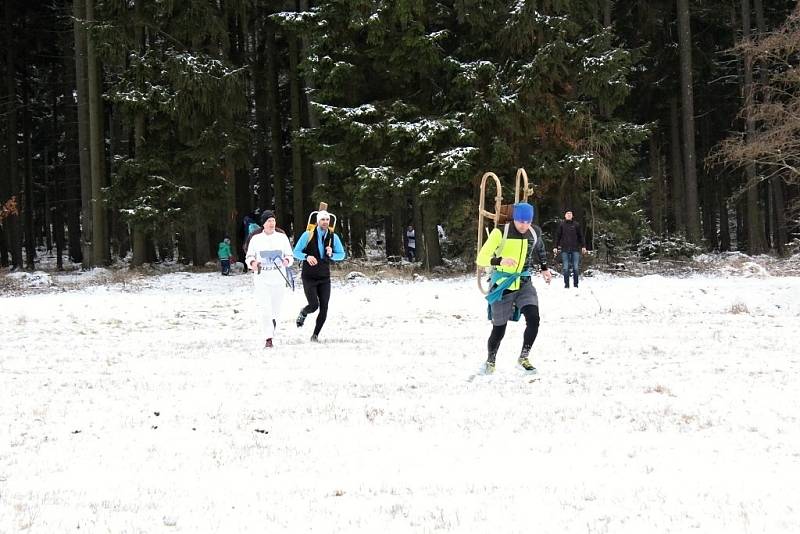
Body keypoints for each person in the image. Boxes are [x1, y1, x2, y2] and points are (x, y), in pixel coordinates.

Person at [476, 202, 551, 374]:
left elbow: (539, 248)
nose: (524, 225)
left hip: (524, 283)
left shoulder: (534, 231)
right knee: (499, 329)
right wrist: (500, 261)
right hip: (502, 285)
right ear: (515, 219)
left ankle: (524, 357)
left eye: (528, 221)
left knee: (534, 319)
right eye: (520, 221)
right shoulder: (500, 233)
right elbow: (481, 259)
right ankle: (491, 360)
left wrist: (545, 268)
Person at [293, 209, 346, 342]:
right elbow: (295, 252)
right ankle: (304, 312)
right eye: (322, 219)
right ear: (317, 221)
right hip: (309, 276)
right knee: (313, 305)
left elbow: (342, 255)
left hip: (324, 277)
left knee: (324, 307)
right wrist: (306, 256)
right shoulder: (308, 235)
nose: (325, 222)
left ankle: (315, 335)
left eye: (327, 220)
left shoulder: (333, 237)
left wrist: (332, 254)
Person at [245, 210, 295, 348]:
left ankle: (272, 324)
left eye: (273, 221)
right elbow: (249, 257)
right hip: (262, 277)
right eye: (269, 221)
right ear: (264, 223)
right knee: (265, 308)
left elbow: (290, 256)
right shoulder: (255, 239)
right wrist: (253, 264)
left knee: (275, 309)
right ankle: (268, 338)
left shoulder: (282, 237)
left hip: (278, 277)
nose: (272, 223)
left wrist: (286, 261)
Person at [553, 209, 587, 288]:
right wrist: (555, 246)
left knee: (575, 268)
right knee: (565, 268)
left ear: (572, 216)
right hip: (564, 249)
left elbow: (581, 236)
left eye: (570, 214)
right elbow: (558, 236)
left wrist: (583, 246)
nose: (568, 215)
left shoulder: (576, 225)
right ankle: (566, 285)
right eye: (567, 214)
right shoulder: (562, 225)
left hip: (575, 249)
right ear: (565, 216)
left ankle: (576, 285)